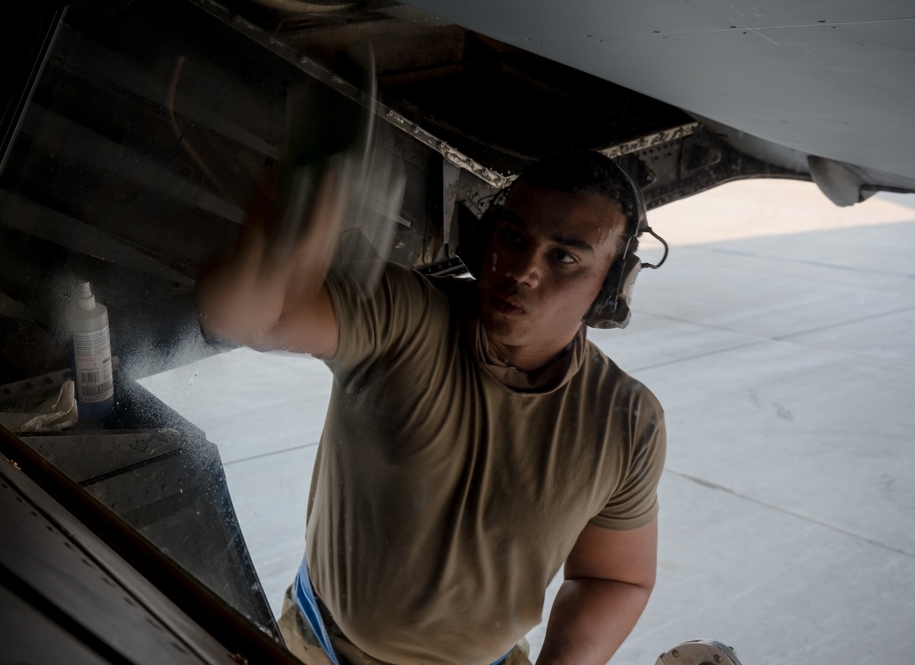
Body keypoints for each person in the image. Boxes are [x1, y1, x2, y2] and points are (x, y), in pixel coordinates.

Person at [196, 150, 667, 665]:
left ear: (608, 290)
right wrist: (279, 236)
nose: (524, 270)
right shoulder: (404, 316)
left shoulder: (626, 422)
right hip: (322, 649)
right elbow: (248, 319)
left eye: (564, 258)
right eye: (513, 238)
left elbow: (614, 577)